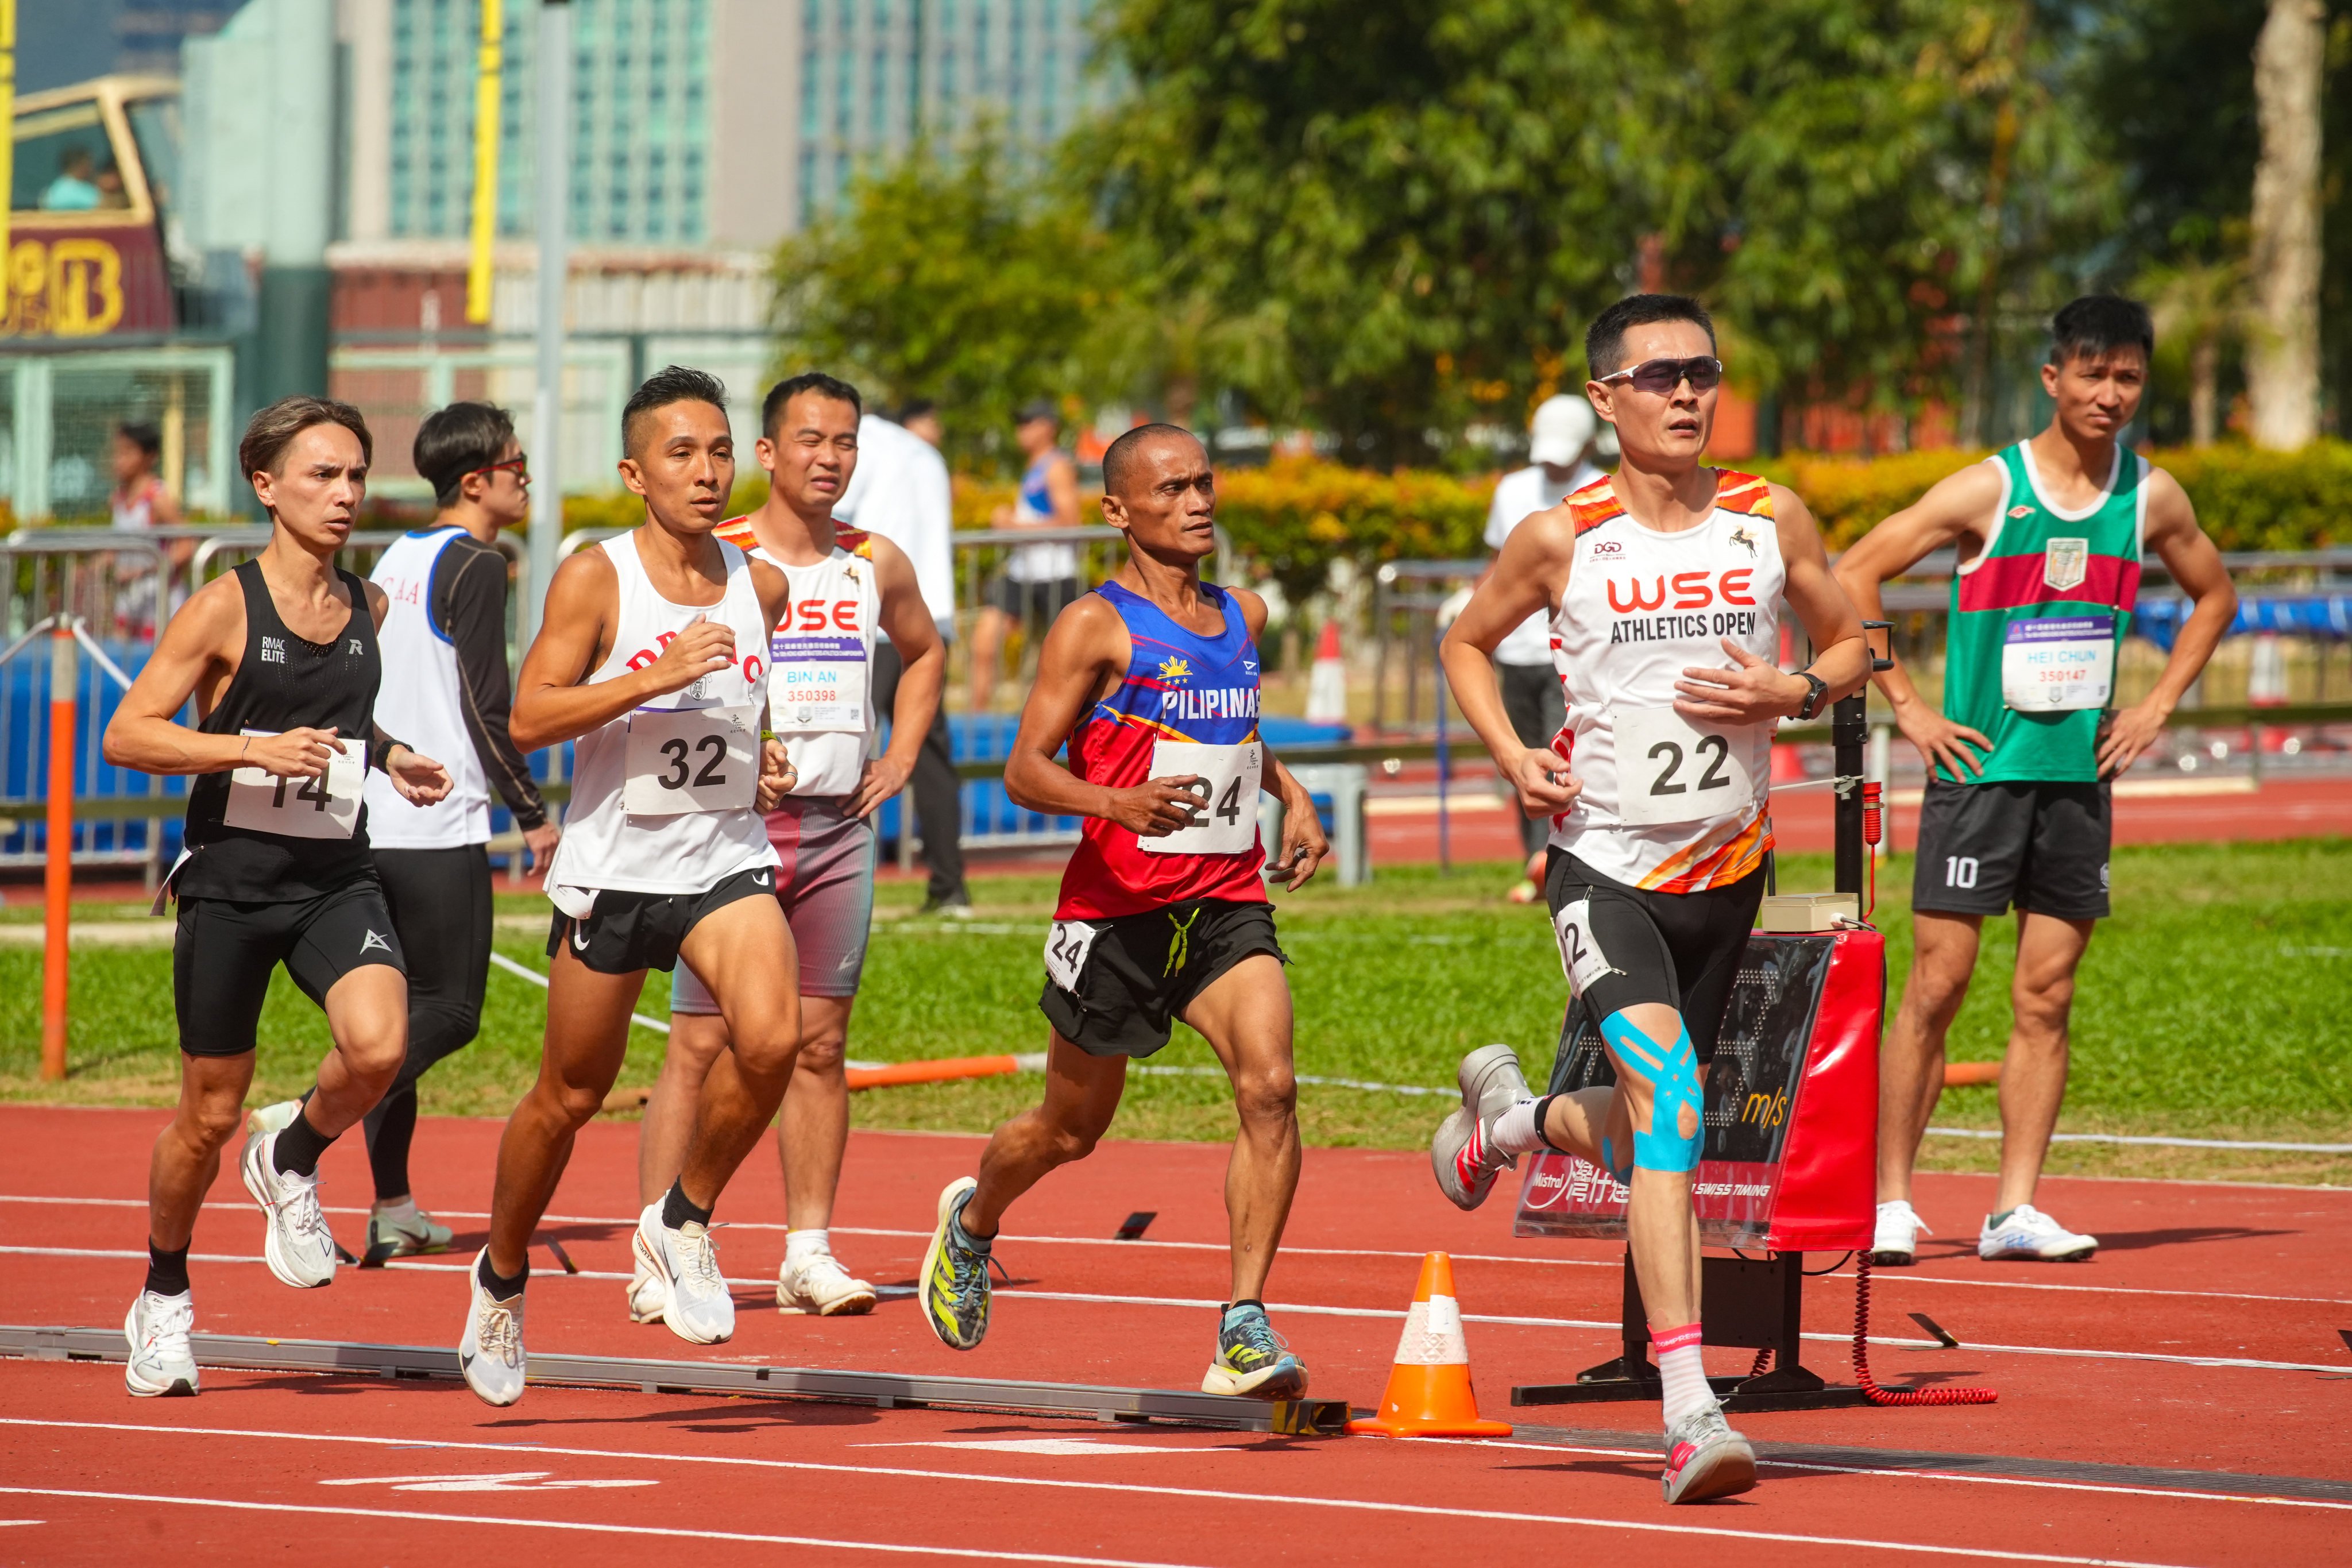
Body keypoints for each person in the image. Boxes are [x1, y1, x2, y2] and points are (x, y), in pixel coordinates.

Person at [1431, 294, 1870, 1504]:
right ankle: (1690, 1410)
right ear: (1606, 399)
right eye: (1659, 375)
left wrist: (1792, 686)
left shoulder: (1765, 515)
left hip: (1724, 875)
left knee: (1661, 1135)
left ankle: (1506, 1127)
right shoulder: (1555, 536)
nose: (1686, 393)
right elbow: (1463, 643)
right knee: (1671, 1105)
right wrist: (1513, 759)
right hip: (1604, 870)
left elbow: (1856, 642)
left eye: (1703, 371)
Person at [919, 423, 1330, 1400]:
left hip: (1224, 899)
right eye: (1172, 490)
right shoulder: (1093, 627)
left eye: (1204, 484)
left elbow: (1235, 729)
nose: (1197, 504)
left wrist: (1294, 795)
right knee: (1069, 1130)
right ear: (1119, 511)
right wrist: (1116, 804)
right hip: (1116, 911)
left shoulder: (1245, 615)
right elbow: (1023, 770)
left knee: (1270, 1086)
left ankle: (1242, 1324)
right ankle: (973, 1224)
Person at [1835, 296, 2237, 1268]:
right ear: (2053, 378)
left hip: (2076, 782)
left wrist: (2156, 706)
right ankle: (1891, 1200)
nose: (2110, 394)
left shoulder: (2152, 497)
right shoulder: (1989, 489)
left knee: (2046, 996)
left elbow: (2215, 594)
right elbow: (1853, 573)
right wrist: (1910, 706)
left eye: (2129, 378)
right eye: (2092, 375)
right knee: (1938, 984)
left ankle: (2014, 1208)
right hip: (1980, 773)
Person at [459, 367, 800, 1407]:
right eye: (682, 454)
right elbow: (529, 718)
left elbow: (734, 718)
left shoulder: (761, 584)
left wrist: (764, 753)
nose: (707, 472)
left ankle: (681, 1220)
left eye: (721, 451)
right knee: (570, 1096)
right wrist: (650, 676)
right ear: (634, 472)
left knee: (777, 1038)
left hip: (721, 858)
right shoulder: (595, 579)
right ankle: (501, 1279)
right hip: (614, 868)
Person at [101, 397, 453, 1399]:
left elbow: (336, 718)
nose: (345, 496)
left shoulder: (369, 607)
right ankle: (163, 1295)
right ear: (267, 486)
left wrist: (389, 754)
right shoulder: (224, 605)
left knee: (383, 1045)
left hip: (334, 876)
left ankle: (293, 1153)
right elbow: (129, 733)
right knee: (205, 1116)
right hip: (233, 885)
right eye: (321, 476)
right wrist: (249, 747)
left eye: (355, 477)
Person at [638, 373, 945, 1318]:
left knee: (819, 1046)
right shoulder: (711, 558)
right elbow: (653, 684)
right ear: (766, 453)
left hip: (838, 827)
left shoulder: (873, 561)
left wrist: (898, 753)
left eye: (845, 442)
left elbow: (926, 650)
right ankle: (663, 1248)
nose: (830, 458)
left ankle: (807, 1250)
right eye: (810, 440)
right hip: (728, 830)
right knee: (700, 1042)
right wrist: (736, 755)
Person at [353, 401, 561, 1260]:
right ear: (475, 480)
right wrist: (533, 812)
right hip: (438, 822)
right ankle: (304, 1118)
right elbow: (487, 701)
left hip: (374, 812)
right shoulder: (480, 562)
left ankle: (392, 1204)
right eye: (516, 464)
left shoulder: (395, 556)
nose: (525, 476)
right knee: (455, 1011)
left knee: (398, 1020)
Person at [836, 396, 970, 916]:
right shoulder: (927, 454)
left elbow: (832, 518)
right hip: (932, 616)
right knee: (934, 761)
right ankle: (950, 886)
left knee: (843, 747)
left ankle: (840, 886)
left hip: (873, 619)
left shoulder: (861, 444)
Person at [1482, 394, 1606, 903]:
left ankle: (1568, 860)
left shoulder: (1600, 491)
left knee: (1569, 761)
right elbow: (1494, 565)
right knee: (1521, 757)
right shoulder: (1512, 490)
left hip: (1569, 656)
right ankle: (1533, 861)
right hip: (1516, 653)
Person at [968, 399, 1083, 710]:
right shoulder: (1034, 466)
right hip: (1023, 572)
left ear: (1048, 427)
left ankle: (1065, 725)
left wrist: (1012, 525)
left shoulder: (1057, 466)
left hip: (1055, 574)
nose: (1020, 431)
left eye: (1027, 423)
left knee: (1066, 659)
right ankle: (974, 725)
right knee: (985, 641)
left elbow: (1071, 522)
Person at [41, 147, 102, 211]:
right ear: (81, 166)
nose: (91, 169)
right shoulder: (73, 189)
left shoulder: (54, 189)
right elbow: (101, 205)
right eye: (88, 165)